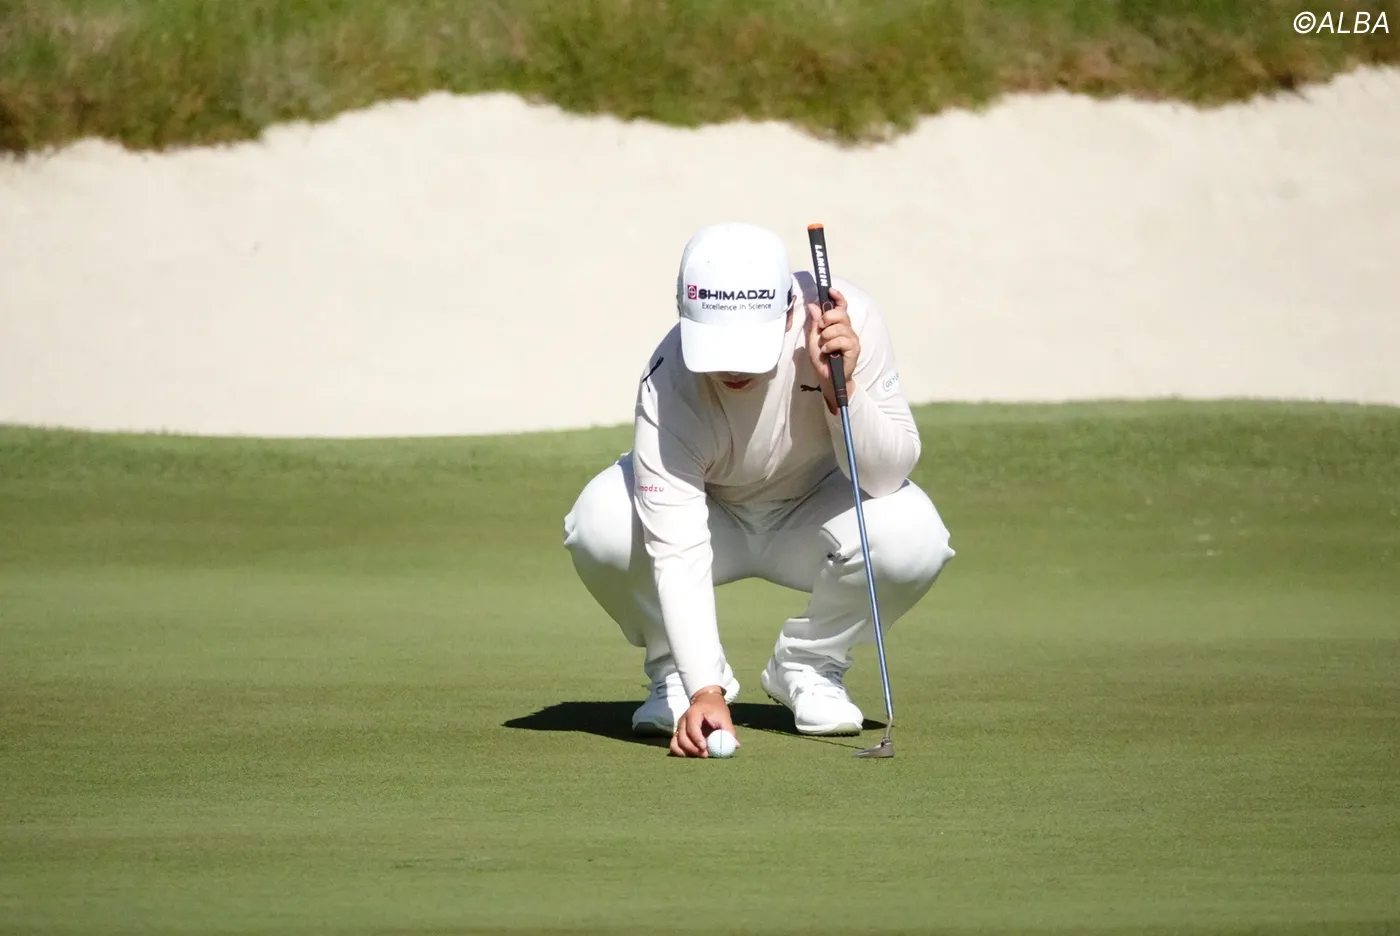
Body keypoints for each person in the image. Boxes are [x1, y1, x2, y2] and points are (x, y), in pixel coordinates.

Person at [563, 221, 955, 758]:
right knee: (601, 519)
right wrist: (704, 688)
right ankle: (675, 674)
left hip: (814, 514)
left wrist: (842, 393)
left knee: (915, 534)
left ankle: (809, 666)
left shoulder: (846, 321)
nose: (731, 367)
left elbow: (887, 475)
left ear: (790, 311)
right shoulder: (667, 381)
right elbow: (676, 545)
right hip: (713, 515)